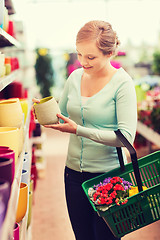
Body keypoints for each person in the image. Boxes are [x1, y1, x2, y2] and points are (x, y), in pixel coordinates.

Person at [33, 20, 137, 240]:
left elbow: (126, 138)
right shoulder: (75, 78)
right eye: (79, 54)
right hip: (73, 175)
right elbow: (59, 114)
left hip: (109, 179)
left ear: (109, 53)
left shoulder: (122, 84)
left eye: (91, 57)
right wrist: (41, 109)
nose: (82, 62)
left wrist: (79, 130)